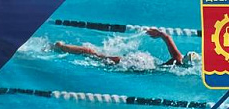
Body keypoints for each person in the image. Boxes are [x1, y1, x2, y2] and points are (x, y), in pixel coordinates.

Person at [54, 27, 198, 67]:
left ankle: (63, 47)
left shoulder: (178, 59)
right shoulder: (178, 61)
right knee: (93, 54)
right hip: (139, 65)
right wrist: (160, 34)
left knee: (94, 54)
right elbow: (167, 38)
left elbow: (167, 37)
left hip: (143, 61)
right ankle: (61, 47)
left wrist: (160, 34)